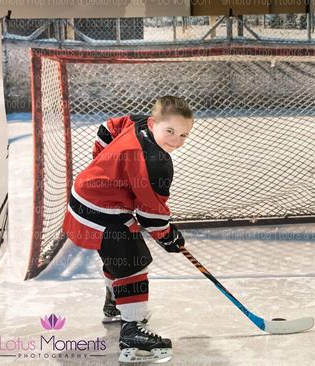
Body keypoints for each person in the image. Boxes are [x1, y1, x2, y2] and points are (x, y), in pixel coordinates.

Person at [62, 95, 194, 363]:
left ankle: (114, 304)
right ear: (154, 122)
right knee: (133, 262)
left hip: (84, 198)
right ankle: (132, 329)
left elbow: (107, 128)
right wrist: (170, 238)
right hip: (101, 211)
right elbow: (151, 217)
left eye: (184, 135)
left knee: (118, 257)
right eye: (170, 131)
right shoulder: (157, 163)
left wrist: (104, 166)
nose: (176, 141)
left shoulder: (136, 123)